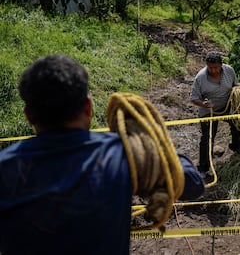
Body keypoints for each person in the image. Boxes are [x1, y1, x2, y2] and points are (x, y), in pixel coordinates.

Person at [0, 54, 204, 254]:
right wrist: (153, 143)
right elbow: (192, 184)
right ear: (88, 107)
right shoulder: (124, 156)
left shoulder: (5, 167)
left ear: (28, 115)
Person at [190, 51, 240, 178]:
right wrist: (203, 104)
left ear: (221, 65)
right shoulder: (200, 78)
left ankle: (236, 148)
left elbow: (236, 85)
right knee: (207, 138)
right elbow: (193, 98)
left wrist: (238, 92)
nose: (213, 70)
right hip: (208, 111)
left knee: (237, 123)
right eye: (210, 67)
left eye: (216, 67)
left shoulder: (229, 71)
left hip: (227, 106)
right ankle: (203, 168)